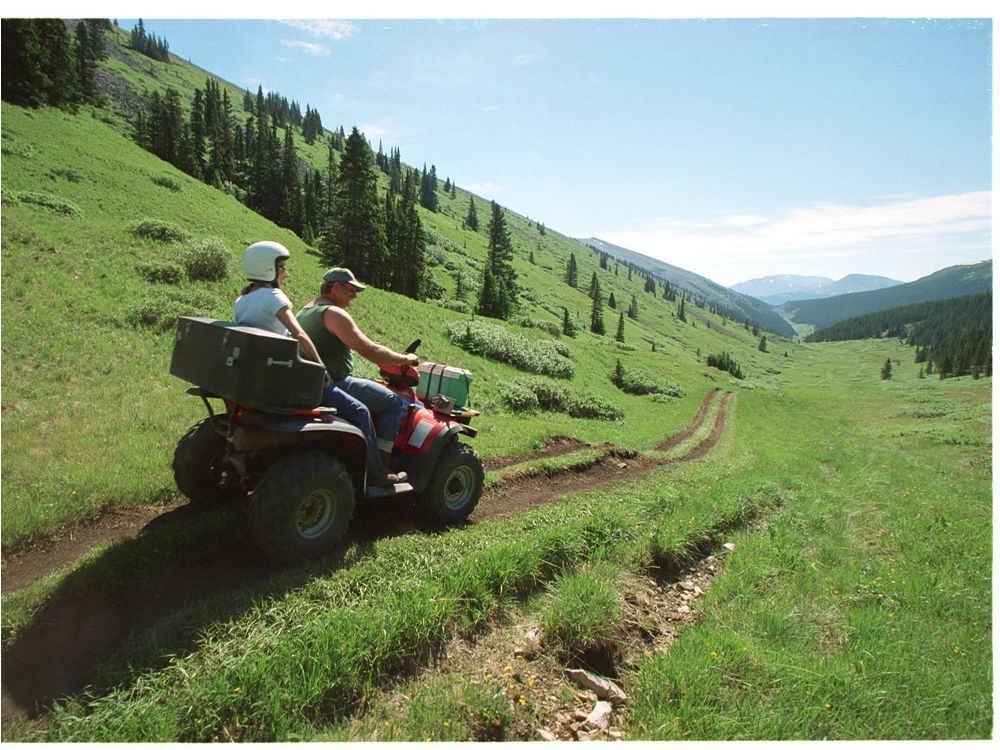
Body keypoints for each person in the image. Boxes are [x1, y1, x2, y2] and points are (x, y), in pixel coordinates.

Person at [234, 243, 405, 486]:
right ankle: (378, 469)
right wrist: (320, 368)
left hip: (269, 374)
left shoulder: (249, 300)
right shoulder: (282, 299)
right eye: (282, 268)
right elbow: (303, 337)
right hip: (311, 378)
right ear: (335, 287)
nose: (354, 295)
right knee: (377, 406)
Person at [297, 267, 418, 465]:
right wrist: (406, 359)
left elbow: (364, 342)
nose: (354, 295)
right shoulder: (334, 314)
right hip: (335, 381)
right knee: (394, 402)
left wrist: (379, 348)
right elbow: (370, 351)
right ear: (335, 287)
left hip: (310, 381)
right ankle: (380, 465)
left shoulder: (307, 309)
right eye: (351, 289)